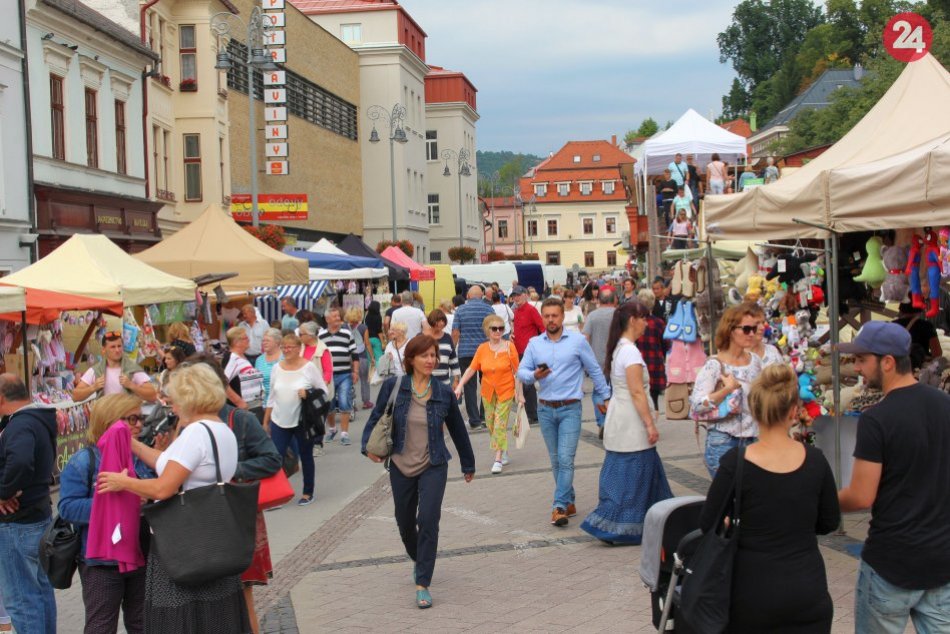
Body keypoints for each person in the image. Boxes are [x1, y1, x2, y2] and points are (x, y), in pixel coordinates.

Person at [96, 364, 249, 632]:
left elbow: (163, 489)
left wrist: (124, 482)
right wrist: (132, 444)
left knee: (180, 619)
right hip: (213, 536)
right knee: (215, 617)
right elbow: (170, 463)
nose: (172, 405)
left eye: (175, 399)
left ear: (191, 397)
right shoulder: (220, 429)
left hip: (184, 542)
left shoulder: (196, 433)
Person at [701, 364, 840, 632]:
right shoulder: (816, 461)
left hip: (750, 592)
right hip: (806, 589)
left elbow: (709, 523)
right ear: (793, 411)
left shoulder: (735, 463)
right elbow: (828, 522)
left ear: (754, 410)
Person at [837, 322, 950, 633]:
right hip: (941, 558)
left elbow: (861, 496)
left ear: (887, 362)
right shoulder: (944, 404)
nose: (857, 368)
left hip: (892, 562)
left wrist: (819, 500)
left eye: (862, 359)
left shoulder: (877, 418)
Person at [361, 335, 475, 610]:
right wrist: (367, 447)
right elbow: (376, 417)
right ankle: (419, 557)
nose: (430, 360)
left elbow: (458, 429)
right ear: (411, 359)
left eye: (433, 355)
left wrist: (468, 463)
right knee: (403, 520)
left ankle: (423, 582)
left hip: (433, 464)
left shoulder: (443, 392)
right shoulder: (394, 386)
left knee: (428, 519)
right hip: (400, 464)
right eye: (424, 355)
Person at [59, 394, 155, 634]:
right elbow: (67, 508)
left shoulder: (141, 457)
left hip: (140, 553)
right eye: (131, 419)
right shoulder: (84, 461)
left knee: (143, 624)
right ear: (110, 420)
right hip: (101, 562)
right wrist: (114, 506)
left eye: (141, 418)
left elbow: (159, 491)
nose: (138, 425)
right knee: (101, 626)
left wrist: (147, 497)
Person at [581, 301, 672, 544]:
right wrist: (649, 423)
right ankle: (625, 527)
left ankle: (648, 523)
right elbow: (637, 392)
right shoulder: (629, 351)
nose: (647, 323)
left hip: (621, 418)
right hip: (630, 421)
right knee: (635, 472)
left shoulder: (621, 347)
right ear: (633, 319)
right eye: (644, 318)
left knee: (631, 471)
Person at [517, 297, 612, 527]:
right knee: (556, 461)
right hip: (546, 409)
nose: (551, 320)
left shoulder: (578, 342)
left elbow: (595, 371)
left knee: (566, 459)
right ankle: (568, 500)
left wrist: (605, 396)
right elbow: (521, 372)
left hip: (570, 407)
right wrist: (534, 376)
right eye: (547, 316)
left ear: (562, 317)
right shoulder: (534, 344)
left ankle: (558, 506)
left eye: (555, 316)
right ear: (542, 318)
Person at [0, 374, 57, 633]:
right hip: (36, 516)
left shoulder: (20, 425)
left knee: (23, 599)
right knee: (39, 593)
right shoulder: (36, 419)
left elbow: (21, 462)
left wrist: (3, 492)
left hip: (18, 522)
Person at [690, 303, 764, 477]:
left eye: (754, 328)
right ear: (730, 330)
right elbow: (697, 405)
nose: (752, 333)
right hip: (724, 441)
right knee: (727, 499)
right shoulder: (714, 365)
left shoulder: (755, 361)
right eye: (746, 329)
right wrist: (727, 389)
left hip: (753, 439)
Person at [262, 335, 327, 506]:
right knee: (276, 457)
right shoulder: (276, 368)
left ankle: (308, 492)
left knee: (305, 456)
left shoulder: (308, 367)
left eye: (290, 347)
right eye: (284, 347)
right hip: (278, 420)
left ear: (299, 348)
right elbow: (271, 396)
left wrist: (308, 393)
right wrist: (266, 421)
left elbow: (324, 391)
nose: (287, 350)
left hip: (302, 421)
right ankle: (276, 495)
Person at [455, 314, 524, 474]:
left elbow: (518, 372)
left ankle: (498, 458)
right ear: (487, 330)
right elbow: (471, 369)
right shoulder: (482, 349)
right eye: (494, 329)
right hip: (487, 392)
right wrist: (459, 385)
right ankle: (503, 449)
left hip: (506, 390)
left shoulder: (509, 347)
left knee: (500, 423)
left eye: (501, 328)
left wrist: (519, 394)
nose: (498, 331)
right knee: (491, 424)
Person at [452, 286, 495, 430]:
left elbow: (456, 332)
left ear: (468, 296)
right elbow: (494, 330)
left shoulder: (460, 310)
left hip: (466, 352)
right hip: (486, 352)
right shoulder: (489, 309)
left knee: (469, 387)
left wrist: (453, 349)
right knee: (487, 384)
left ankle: (474, 420)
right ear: (482, 295)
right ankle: (485, 416)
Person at [73, 331, 158, 402]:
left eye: (119, 346)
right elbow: (75, 397)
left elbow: (153, 396)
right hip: (106, 419)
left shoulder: (132, 369)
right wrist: (93, 387)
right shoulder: (96, 370)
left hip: (126, 419)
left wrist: (131, 385)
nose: (117, 350)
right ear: (103, 350)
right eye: (112, 347)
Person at [320, 307, 359, 446]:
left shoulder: (347, 334)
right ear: (327, 319)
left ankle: (344, 433)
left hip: (344, 374)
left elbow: (354, 355)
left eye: (338, 316)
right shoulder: (321, 336)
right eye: (335, 316)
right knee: (329, 405)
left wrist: (355, 372)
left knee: (344, 402)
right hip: (327, 376)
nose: (338, 318)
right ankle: (332, 429)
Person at [584, 288, 618, 431]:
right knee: (617, 392)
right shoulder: (619, 315)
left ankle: (602, 422)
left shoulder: (592, 316)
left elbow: (585, 338)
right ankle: (614, 423)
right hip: (617, 360)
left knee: (599, 392)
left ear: (599, 300)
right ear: (614, 300)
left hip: (597, 361)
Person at [511, 286, 543, 426]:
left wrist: (541, 345)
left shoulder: (531, 310)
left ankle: (533, 414)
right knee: (524, 382)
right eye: (514, 296)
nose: (516, 298)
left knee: (528, 383)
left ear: (525, 295)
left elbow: (542, 327)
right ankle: (531, 413)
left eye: (518, 295)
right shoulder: (516, 311)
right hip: (519, 350)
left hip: (529, 350)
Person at [636, 289, 668, 410]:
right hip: (655, 363)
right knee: (653, 398)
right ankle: (652, 420)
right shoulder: (659, 323)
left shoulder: (634, 322)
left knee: (640, 396)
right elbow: (666, 344)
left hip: (639, 363)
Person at [224, 326, 265, 416]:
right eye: (245, 338)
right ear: (236, 342)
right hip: (240, 410)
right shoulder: (233, 359)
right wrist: (239, 402)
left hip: (252, 405)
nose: (248, 340)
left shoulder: (240, 356)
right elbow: (222, 383)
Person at [892, 302, 942, 369]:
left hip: (896, 368)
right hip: (917, 370)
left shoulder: (892, 325)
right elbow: (937, 353)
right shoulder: (926, 326)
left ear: (901, 309)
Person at [345, 308, 373, 410]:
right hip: (361, 356)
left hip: (348, 357)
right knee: (364, 380)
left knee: (349, 381)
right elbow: (367, 343)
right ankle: (366, 402)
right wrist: (372, 357)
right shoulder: (363, 327)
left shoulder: (344, 327)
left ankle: (352, 403)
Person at [427, 309, 460, 390]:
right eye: (439, 320)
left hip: (444, 383)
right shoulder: (422, 337)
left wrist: (456, 380)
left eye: (443, 321)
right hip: (425, 384)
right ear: (432, 321)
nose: (442, 323)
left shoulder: (447, 338)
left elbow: (453, 360)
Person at [255, 328, 284, 408]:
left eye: (267, 341)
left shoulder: (285, 357)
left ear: (277, 342)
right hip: (264, 404)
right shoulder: (259, 360)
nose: (264, 343)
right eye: (263, 341)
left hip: (282, 404)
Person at [365, 300, 385, 365]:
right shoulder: (378, 317)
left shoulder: (367, 316)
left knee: (369, 359)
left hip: (368, 339)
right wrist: (382, 342)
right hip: (376, 339)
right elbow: (379, 330)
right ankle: (379, 373)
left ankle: (369, 374)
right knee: (379, 358)